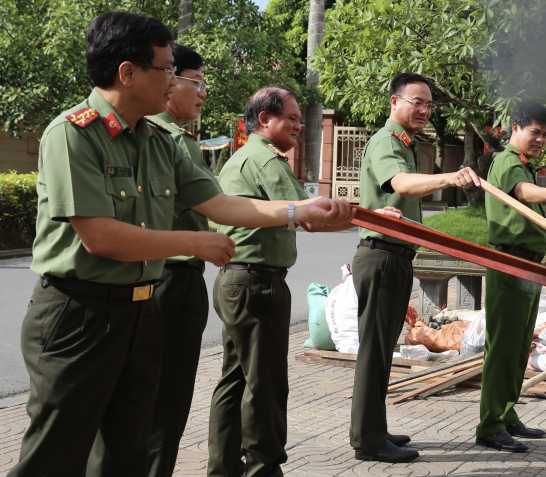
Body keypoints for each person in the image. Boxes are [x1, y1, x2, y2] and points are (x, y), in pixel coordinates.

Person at [7, 13, 353, 477]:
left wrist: (300, 211)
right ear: (127, 73)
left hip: (140, 314)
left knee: (127, 453)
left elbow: (222, 204)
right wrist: (194, 241)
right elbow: (101, 236)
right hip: (78, 314)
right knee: (55, 454)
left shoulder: (157, 141)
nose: (174, 82)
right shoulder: (73, 134)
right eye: (166, 70)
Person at [206, 87, 401, 477]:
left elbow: (309, 219)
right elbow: (312, 218)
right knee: (265, 385)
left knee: (235, 381)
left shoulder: (244, 157)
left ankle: (224, 467)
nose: (299, 125)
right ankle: (263, 469)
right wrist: (371, 218)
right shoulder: (266, 160)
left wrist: (359, 216)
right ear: (265, 120)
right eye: (292, 118)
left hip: (238, 281)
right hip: (256, 285)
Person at [349, 72, 481, 463]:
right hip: (381, 256)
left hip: (397, 257)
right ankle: (367, 441)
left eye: (428, 104)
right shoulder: (386, 142)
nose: (424, 110)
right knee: (374, 351)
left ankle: (375, 428)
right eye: (416, 102)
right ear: (394, 102)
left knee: (385, 349)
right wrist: (451, 176)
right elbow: (402, 185)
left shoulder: (405, 144)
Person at [476, 100, 546, 452]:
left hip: (528, 266)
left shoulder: (525, 164)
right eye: (535, 132)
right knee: (502, 347)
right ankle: (489, 425)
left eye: (545, 135)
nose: (540, 139)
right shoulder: (508, 162)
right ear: (515, 128)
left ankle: (507, 413)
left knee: (518, 346)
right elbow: (522, 193)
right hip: (509, 265)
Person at [143, 43, 212, 477]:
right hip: (169, 277)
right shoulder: (163, 137)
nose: (202, 92)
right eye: (195, 81)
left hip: (171, 277)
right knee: (161, 404)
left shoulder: (176, 138)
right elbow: (217, 204)